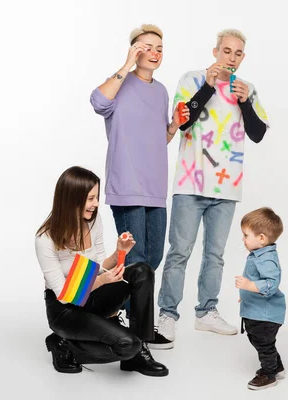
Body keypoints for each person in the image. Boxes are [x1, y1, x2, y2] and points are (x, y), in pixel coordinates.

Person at [156, 28, 270, 344]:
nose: (231, 58)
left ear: (242, 57)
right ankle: (167, 316)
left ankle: (207, 313)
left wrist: (246, 103)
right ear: (215, 51)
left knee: (215, 255)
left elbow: (258, 133)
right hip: (190, 182)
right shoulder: (192, 79)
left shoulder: (247, 89)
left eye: (237, 53)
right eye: (226, 51)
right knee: (179, 251)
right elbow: (183, 121)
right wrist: (207, 87)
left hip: (226, 187)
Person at [89, 24, 188, 338]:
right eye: (147, 46)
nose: (155, 53)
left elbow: (161, 138)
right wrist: (125, 65)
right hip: (127, 186)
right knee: (139, 258)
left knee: (153, 257)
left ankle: (122, 314)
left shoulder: (160, 91)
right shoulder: (120, 83)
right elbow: (97, 103)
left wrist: (175, 124)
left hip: (155, 188)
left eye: (159, 48)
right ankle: (139, 329)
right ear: (134, 50)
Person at [35, 166, 168, 376]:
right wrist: (103, 280)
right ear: (72, 199)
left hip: (91, 297)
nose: (96, 204)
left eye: (96, 197)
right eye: (90, 198)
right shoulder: (45, 239)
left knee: (142, 270)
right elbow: (63, 295)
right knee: (126, 345)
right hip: (65, 310)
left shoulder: (93, 221)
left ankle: (140, 350)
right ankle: (63, 344)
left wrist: (118, 254)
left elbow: (97, 268)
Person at [235, 208, 286, 390]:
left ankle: (269, 373)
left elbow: (271, 284)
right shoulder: (259, 255)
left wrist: (249, 286)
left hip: (265, 315)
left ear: (262, 238)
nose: (243, 239)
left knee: (263, 343)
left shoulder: (267, 259)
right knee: (261, 341)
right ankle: (276, 365)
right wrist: (246, 294)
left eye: (246, 235)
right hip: (257, 311)